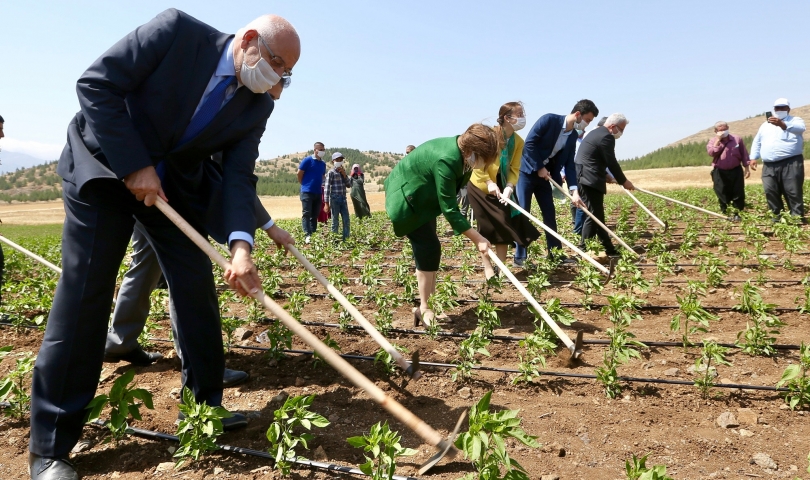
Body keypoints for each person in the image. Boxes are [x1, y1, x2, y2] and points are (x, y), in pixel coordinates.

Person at [27, 10, 300, 480]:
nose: (277, 80)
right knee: (86, 290)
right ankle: (51, 446)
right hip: (105, 167)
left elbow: (238, 176)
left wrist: (241, 245)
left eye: (287, 75)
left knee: (194, 287)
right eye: (276, 65)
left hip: (173, 190)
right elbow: (96, 84)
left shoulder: (258, 104)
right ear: (249, 40)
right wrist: (134, 163)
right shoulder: (175, 33)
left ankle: (204, 410)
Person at [385, 124, 499, 327]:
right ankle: (424, 308)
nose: (482, 164)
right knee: (428, 248)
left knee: (431, 250)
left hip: (424, 199)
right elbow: (450, 207)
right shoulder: (447, 159)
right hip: (408, 199)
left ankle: (430, 306)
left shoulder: (462, 154)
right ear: (472, 151)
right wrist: (478, 239)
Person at [514, 99, 599, 266]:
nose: (587, 125)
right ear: (577, 114)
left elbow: (569, 164)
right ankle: (520, 257)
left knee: (549, 214)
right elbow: (529, 144)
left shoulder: (573, 135)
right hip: (526, 173)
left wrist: (574, 191)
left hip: (546, 176)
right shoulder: (549, 120)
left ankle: (555, 254)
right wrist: (539, 167)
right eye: (587, 120)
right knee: (524, 212)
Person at [468, 102, 540, 275]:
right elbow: (476, 164)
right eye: (520, 114)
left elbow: (515, 168)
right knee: (486, 229)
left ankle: (501, 269)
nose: (523, 118)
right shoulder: (489, 136)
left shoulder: (518, 141)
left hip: (501, 186)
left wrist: (509, 186)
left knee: (503, 227)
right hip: (480, 188)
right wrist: (488, 182)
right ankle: (487, 268)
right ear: (507, 118)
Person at [575, 113, 635, 256]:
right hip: (589, 179)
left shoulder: (596, 133)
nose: (621, 133)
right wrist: (624, 181)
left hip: (585, 176)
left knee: (597, 215)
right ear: (613, 126)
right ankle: (583, 250)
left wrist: (606, 176)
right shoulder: (606, 137)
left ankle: (609, 249)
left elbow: (595, 159)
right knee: (594, 215)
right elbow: (611, 161)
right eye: (621, 129)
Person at [750, 98, 806, 220]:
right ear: (773, 109)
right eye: (777, 108)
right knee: (770, 190)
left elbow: (800, 129)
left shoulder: (795, 120)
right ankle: (776, 217)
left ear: (788, 109)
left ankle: (797, 218)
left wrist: (782, 124)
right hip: (769, 164)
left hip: (790, 162)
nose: (779, 110)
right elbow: (757, 141)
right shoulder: (765, 125)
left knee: (792, 191)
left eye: (782, 107)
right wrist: (753, 157)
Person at [707, 121, 752, 219]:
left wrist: (747, 168)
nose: (723, 131)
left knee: (738, 191)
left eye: (725, 129)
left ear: (728, 128)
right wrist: (718, 140)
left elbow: (744, 154)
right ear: (715, 131)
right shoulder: (712, 141)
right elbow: (711, 153)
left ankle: (737, 213)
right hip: (720, 171)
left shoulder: (737, 139)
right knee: (722, 192)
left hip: (736, 170)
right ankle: (725, 212)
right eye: (720, 130)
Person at [297, 142, 327, 243]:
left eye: (323, 150)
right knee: (306, 213)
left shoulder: (323, 164)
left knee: (315, 214)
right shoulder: (307, 160)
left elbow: (322, 176)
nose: (322, 151)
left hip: (318, 192)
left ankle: (313, 234)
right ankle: (307, 235)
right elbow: (299, 173)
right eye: (320, 149)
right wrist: (304, 184)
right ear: (315, 150)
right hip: (306, 192)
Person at [324, 152, 352, 240]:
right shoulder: (331, 172)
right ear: (333, 161)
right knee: (335, 221)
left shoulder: (343, 172)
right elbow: (327, 188)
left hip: (343, 199)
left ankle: (346, 239)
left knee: (346, 220)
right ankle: (334, 240)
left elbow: (349, 185)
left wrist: (344, 175)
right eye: (337, 160)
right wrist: (326, 203)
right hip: (334, 199)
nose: (339, 161)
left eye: (341, 159)